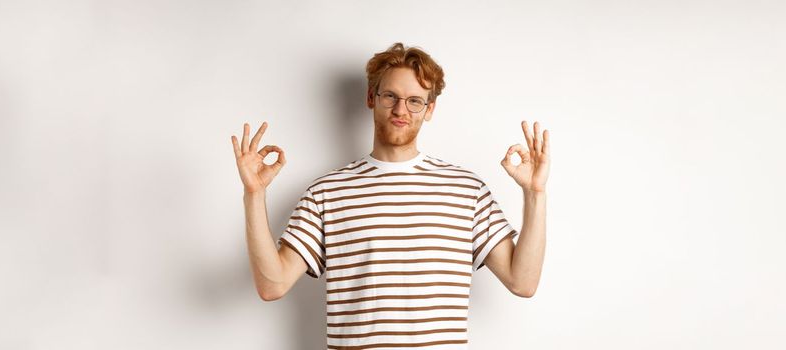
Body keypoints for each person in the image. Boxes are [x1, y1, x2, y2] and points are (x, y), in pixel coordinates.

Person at [230, 42, 549, 349]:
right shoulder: (327, 192)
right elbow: (273, 285)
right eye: (390, 96)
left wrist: (535, 193)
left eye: (414, 101)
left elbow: (522, 282)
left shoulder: (467, 190)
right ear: (371, 97)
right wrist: (254, 194)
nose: (401, 109)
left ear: (429, 109)